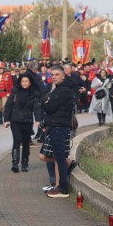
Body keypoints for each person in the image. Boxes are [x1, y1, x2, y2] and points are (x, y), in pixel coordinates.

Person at [39, 65, 76, 198]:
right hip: (55, 127)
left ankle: (62, 189)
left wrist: (47, 102)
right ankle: (60, 185)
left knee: (60, 158)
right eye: (52, 75)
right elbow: (44, 102)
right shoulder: (58, 89)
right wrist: (47, 101)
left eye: (56, 74)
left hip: (60, 127)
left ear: (63, 76)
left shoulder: (64, 90)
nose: (53, 76)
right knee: (56, 157)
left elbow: (48, 106)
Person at [3, 72, 41, 173]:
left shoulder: (34, 94)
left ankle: (25, 163)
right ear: (20, 82)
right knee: (17, 140)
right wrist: (6, 119)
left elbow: (36, 108)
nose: (24, 83)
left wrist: (38, 119)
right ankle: (15, 163)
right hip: (15, 121)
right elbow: (8, 106)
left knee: (25, 143)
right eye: (23, 81)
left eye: (26, 81)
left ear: (30, 83)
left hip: (27, 121)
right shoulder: (14, 92)